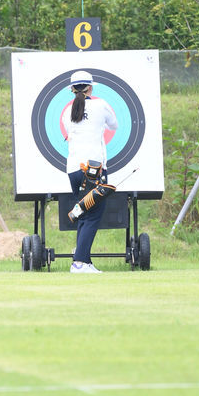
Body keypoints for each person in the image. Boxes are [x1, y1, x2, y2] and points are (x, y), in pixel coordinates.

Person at [63, 70, 118, 273]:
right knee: (93, 215)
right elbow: (115, 124)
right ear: (90, 87)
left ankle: (84, 261)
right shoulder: (100, 105)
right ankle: (79, 263)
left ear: (72, 89)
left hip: (73, 170)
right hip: (92, 169)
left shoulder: (69, 110)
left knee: (85, 213)